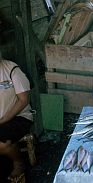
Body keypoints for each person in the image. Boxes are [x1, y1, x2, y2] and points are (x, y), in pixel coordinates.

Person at [0, 51, 33, 182]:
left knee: (1, 144)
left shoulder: (11, 69)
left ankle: (19, 162)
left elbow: (23, 100)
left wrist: (4, 119)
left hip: (18, 117)